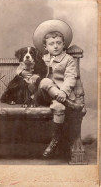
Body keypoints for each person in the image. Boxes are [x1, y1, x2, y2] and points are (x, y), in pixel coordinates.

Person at [33, 20, 80, 158]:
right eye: (51, 44)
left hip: (60, 96)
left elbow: (71, 77)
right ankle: (69, 104)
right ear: (45, 46)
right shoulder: (42, 59)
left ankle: (55, 140)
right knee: (46, 80)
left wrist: (63, 92)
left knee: (60, 108)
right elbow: (36, 75)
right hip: (42, 95)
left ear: (64, 45)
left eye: (58, 43)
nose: (55, 46)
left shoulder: (68, 59)